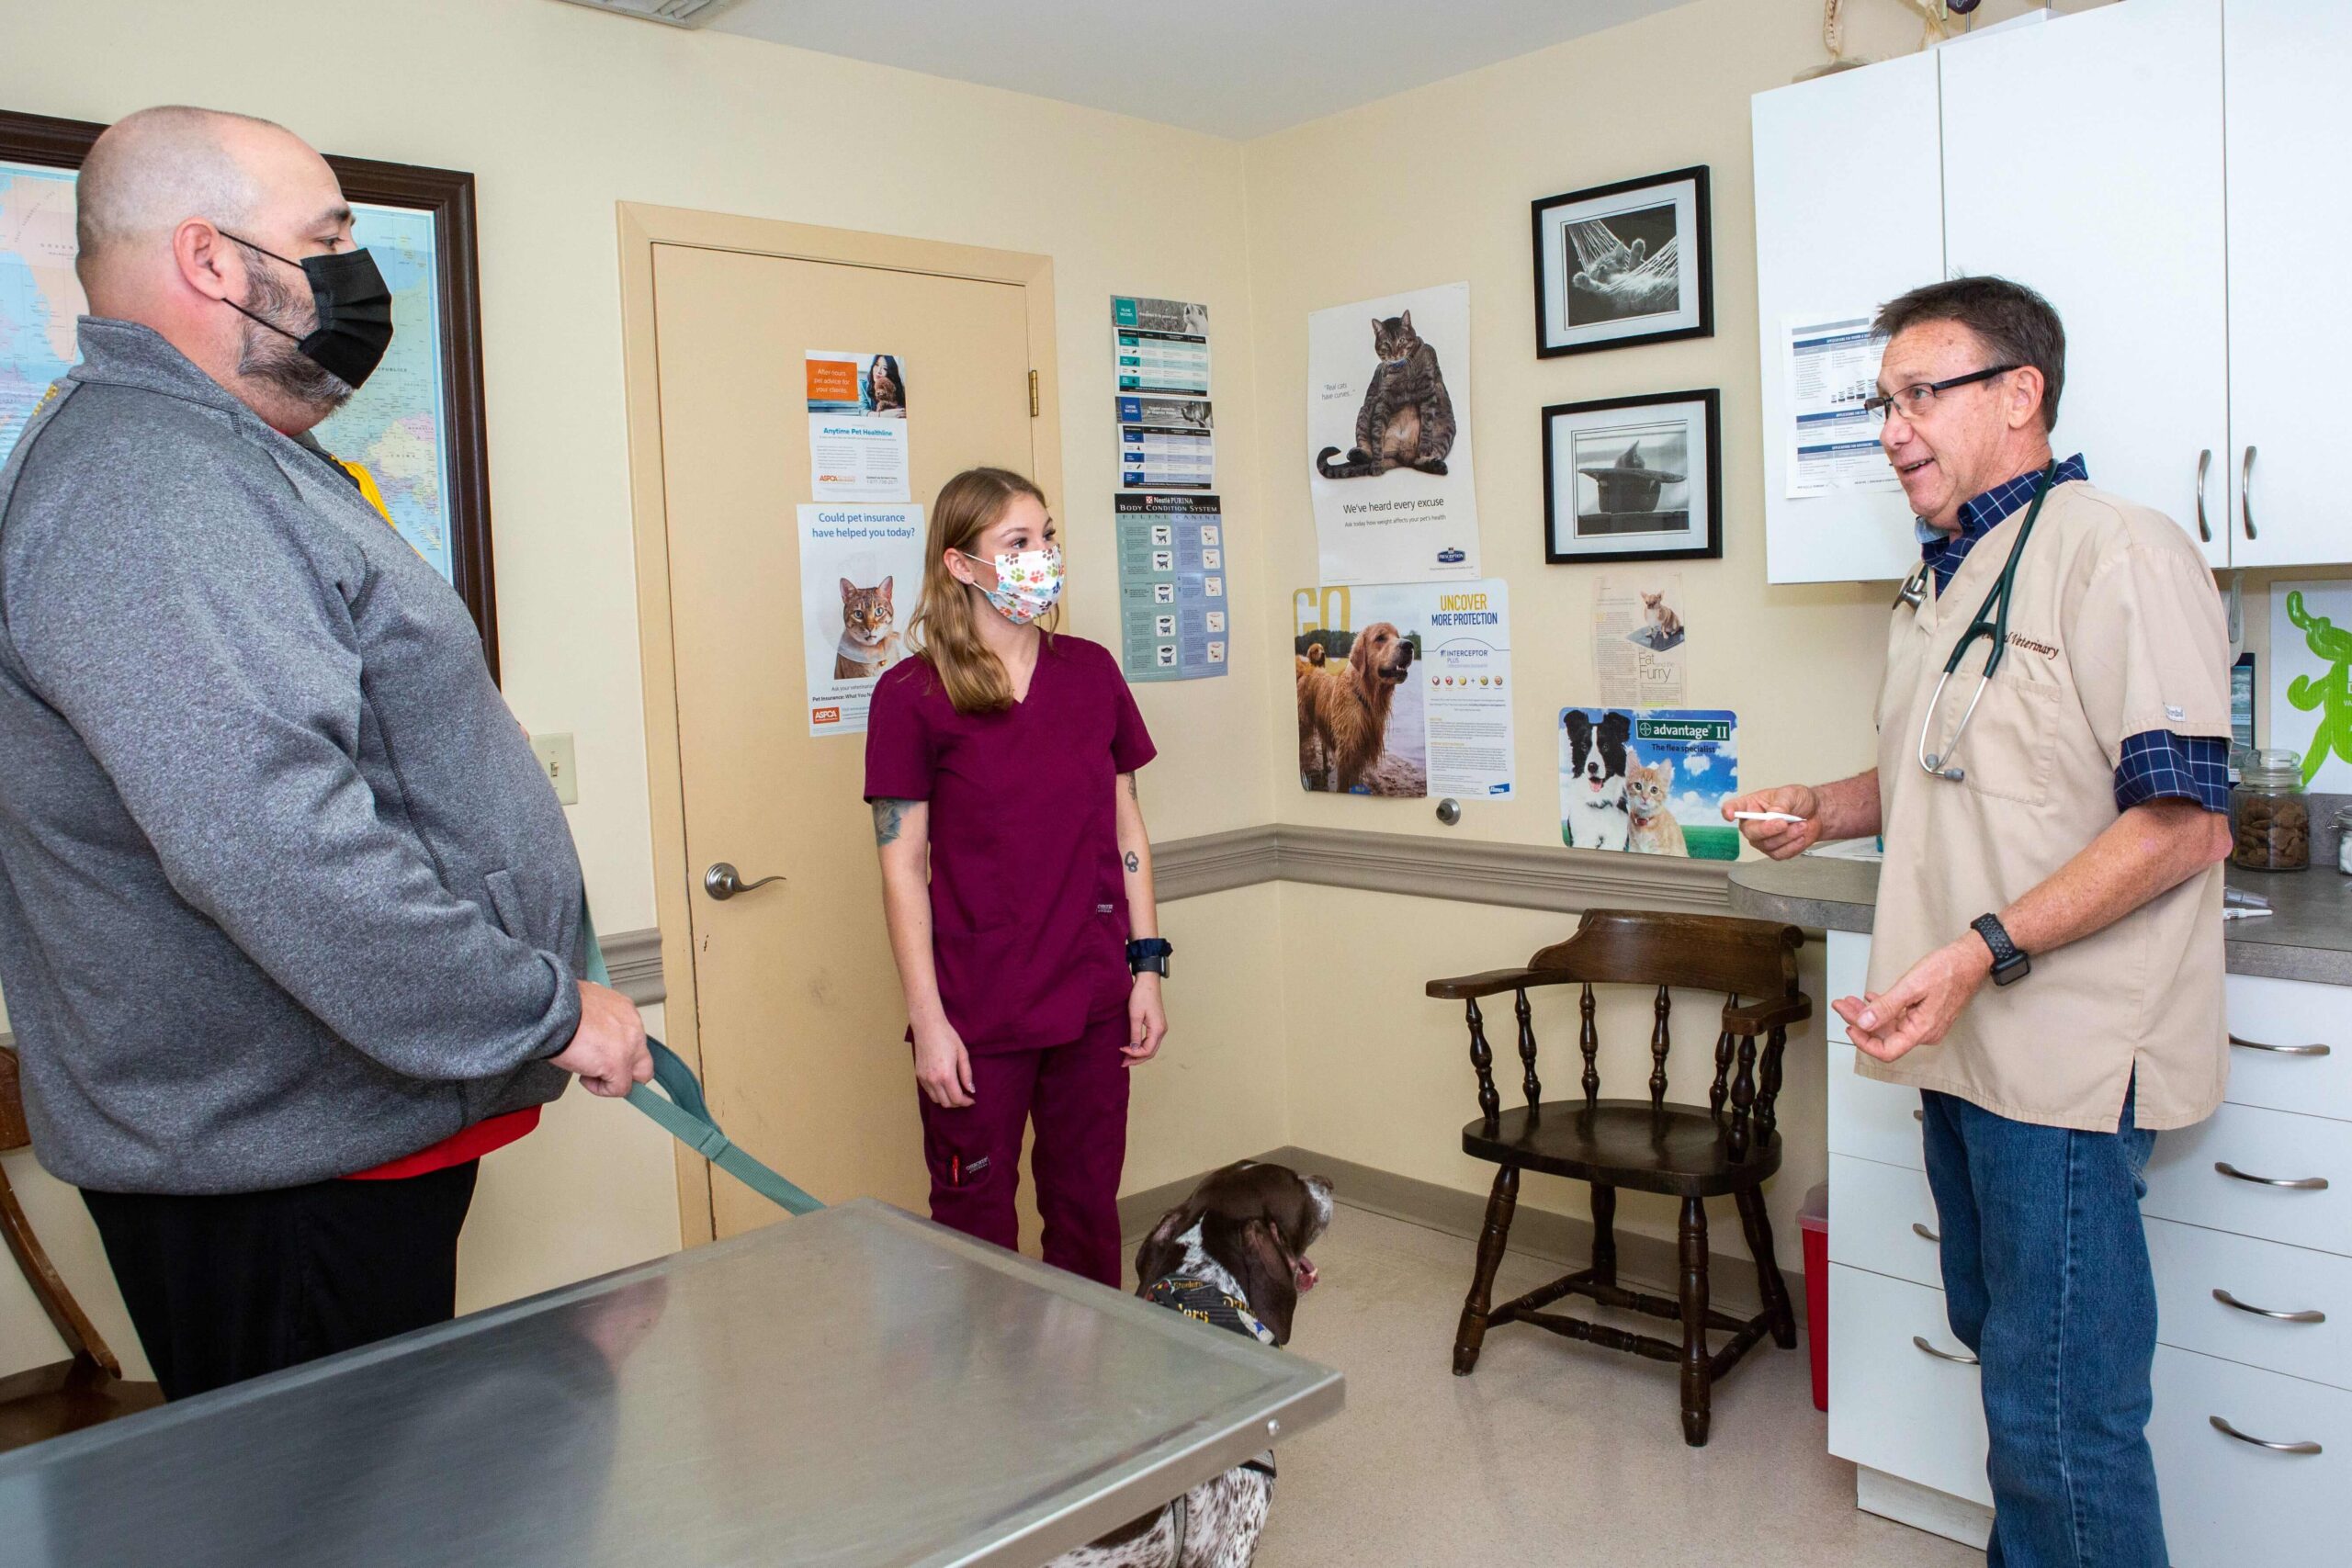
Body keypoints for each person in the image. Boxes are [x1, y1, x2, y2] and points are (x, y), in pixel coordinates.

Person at [0, 106, 652, 1401]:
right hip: (279, 1172)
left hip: (328, 1140)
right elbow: (270, 835)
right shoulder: (151, 485)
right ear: (212, 260)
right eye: (330, 235)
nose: (359, 270)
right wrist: (537, 1005)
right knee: (331, 1523)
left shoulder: (229, 460)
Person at [1725, 276, 2232, 1567]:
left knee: (2063, 1413)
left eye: (1921, 393)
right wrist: (1821, 806)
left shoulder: (2119, 549)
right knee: (2012, 1371)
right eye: (1883, 400)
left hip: (2059, 1056)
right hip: (1954, 1037)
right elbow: (1942, 771)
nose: (1894, 428)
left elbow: (2184, 823)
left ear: (2022, 395)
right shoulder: (1943, 574)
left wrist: (1985, 947)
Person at [864, 467, 1168, 1289]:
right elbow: (903, 869)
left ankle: (1085, 1408)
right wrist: (928, 1021)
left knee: (1085, 1213)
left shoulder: (1092, 673)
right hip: (977, 1011)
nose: (1044, 555)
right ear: (962, 565)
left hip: (1091, 994)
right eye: (1018, 542)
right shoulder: (911, 695)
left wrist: (1147, 967)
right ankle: (990, 1411)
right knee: (974, 1232)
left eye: (1048, 537)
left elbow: (1127, 826)